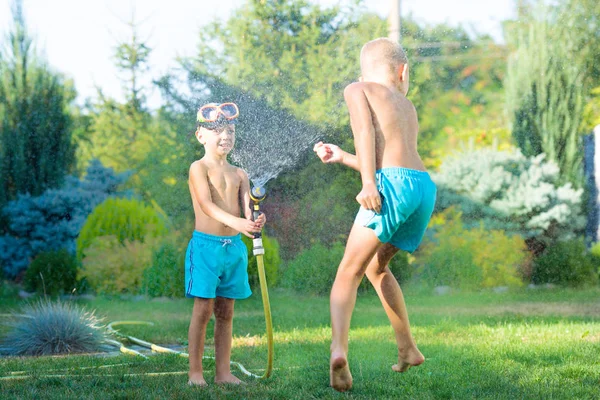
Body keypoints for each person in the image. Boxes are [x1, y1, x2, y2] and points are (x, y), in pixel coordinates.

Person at [313, 37, 437, 392]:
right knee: (375, 267)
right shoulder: (405, 104)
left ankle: (338, 352)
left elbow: (364, 132)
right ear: (403, 72)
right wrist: (344, 158)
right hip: (422, 187)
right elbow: (395, 163)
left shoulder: (357, 88)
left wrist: (368, 182)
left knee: (347, 272)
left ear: (363, 72)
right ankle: (408, 348)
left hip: (390, 184)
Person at [186, 102, 266, 386]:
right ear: (201, 136)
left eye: (230, 130)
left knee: (226, 311)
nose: (226, 136)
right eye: (218, 130)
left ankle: (223, 373)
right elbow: (206, 206)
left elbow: (247, 214)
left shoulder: (239, 174)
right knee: (203, 309)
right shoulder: (199, 168)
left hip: (234, 249)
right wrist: (239, 224)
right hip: (206, 248)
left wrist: (255, 221)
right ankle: (195, 373)